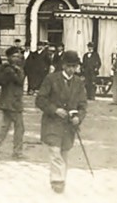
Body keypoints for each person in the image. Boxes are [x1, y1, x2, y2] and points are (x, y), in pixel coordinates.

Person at [35, 50, 86, 194]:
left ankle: (61, 179)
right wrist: (55, 110)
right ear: (63, 65)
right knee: (55, 151)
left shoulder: (78, 83)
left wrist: (79, 118)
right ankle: (58, 181)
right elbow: (40, 100)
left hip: (69, 126)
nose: (71, 69)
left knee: (64, 153)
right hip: (52, 123)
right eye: (69, 66)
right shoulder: (51, 79)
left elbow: (83, 105)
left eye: (74, 66)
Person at [0, 46, 26, 160]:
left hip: (9, 102)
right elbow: (19, 81)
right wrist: (19, 70)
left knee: (5, 127)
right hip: (12, 103)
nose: (17, 58)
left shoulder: (12, 68)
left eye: (18, 56)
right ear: (9, 57)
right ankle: (17, 152)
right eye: (14, 56)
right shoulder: (10, 70)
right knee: (19, 127)